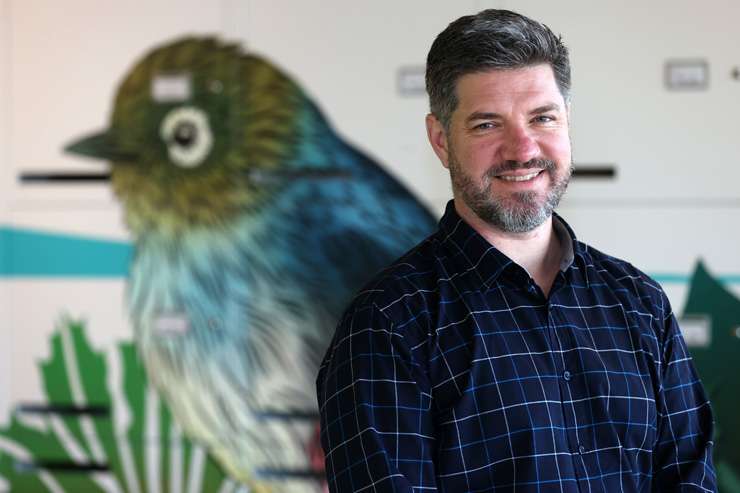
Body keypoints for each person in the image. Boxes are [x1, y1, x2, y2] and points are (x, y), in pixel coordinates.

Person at [316, 9, 715, 492]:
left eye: (542, 118)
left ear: (567, 122)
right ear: (441, 141)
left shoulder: (638, 304)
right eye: (487, 125)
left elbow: (691, 479)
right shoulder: (388, 324)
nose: (522, 149)